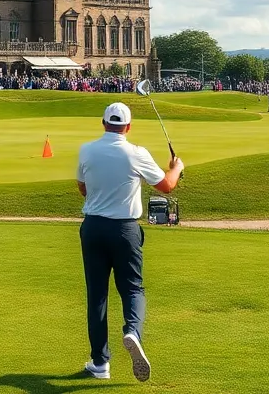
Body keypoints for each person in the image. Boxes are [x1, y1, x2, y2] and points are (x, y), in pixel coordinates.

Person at [76, 102, 184, 383]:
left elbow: (82, 187)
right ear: (128, 127)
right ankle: (132, 332)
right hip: (125, 229)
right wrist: (177, 167)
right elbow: (167, 186)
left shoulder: (87, 149)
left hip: (93, 228)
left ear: (103, 123)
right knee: (133, 288)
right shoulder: (137, 153)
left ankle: (100, 363)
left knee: (97, 296)